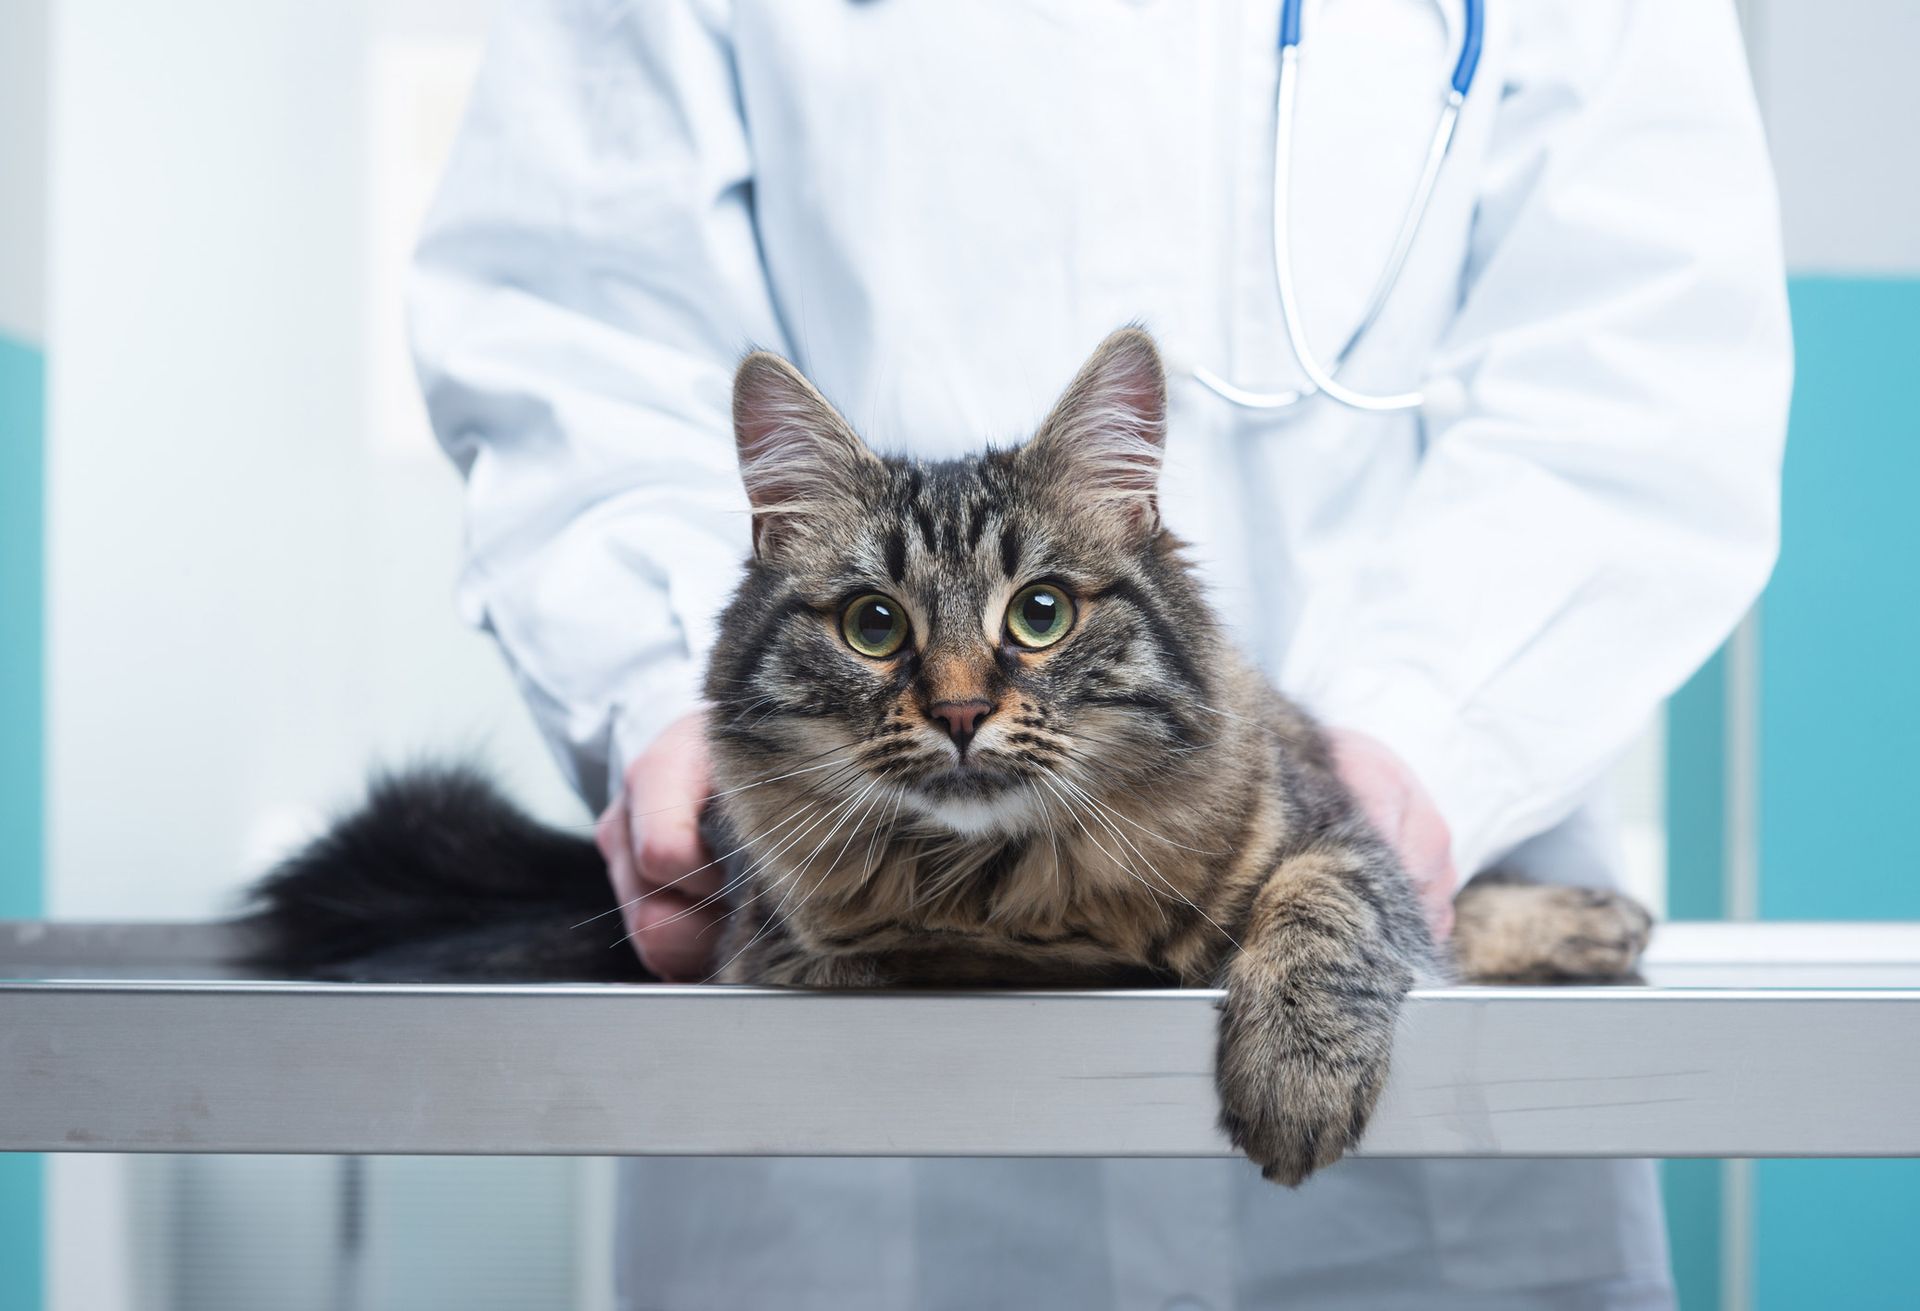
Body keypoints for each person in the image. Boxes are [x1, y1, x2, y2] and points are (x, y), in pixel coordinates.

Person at [409, 1, 1790, 1306]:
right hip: (858, 1178)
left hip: (1428, 1158)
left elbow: (1644, 369)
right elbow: (573, 317)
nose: (960, 699)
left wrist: (1419, 754)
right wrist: (667, 698)